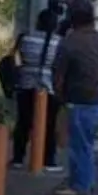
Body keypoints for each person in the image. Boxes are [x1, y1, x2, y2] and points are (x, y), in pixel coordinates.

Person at [51, 5, 98, 195]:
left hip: (79, 100)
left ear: (72, 21)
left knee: (80, 145)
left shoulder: (68, 43)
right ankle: (82, 181)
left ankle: (81, 185)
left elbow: (58, 75)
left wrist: (59, 97)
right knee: (86, 143)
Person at [12, 9, 65, 171]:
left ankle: (18, 158)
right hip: (49, 86)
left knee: (23, 122)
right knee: (49, 124)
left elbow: (16, 56)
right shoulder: (59, 42)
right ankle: (48, 160)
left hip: (26, 82)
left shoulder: (25, 37)